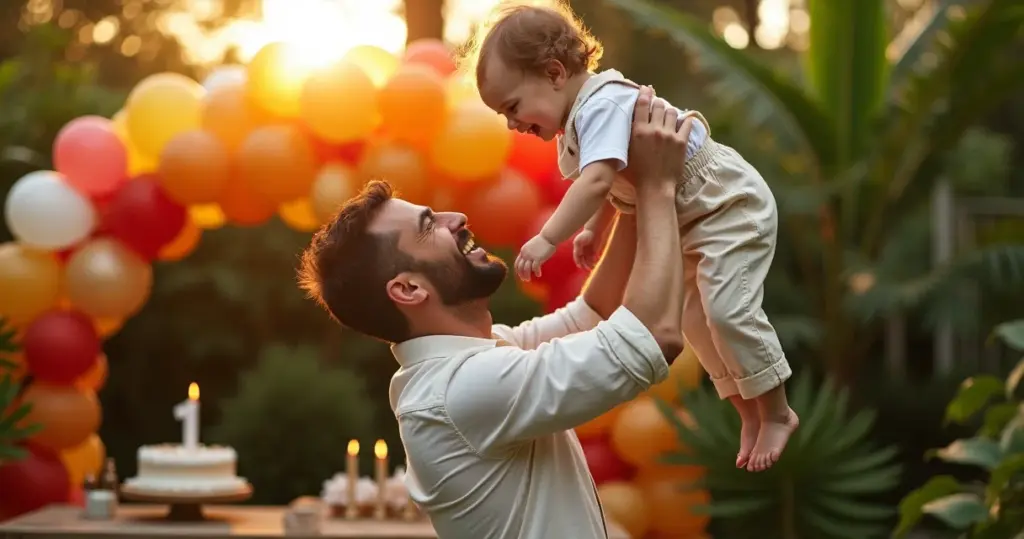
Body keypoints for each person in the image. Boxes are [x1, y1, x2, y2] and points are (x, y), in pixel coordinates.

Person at [298, 87, 690, 539]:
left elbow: (593, 315)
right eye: (429, 225)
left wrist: (631, 193)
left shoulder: (471, 361)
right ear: (407, 289)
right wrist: (658, 186)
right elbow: (655, 336)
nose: (456, 217)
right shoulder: (460, 391)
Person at [470, 1, 798, 472]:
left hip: (727, 205)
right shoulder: (578, 121)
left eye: (513, 106)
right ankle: (749, 410)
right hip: (693, 220)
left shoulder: (601, 104)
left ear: (555, 72)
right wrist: (593, 229)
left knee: (728, 310)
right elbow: (615, 181)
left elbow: (598, 181)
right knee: (696, 321)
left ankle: (779, 411)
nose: (511, 124)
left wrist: (549, 237)